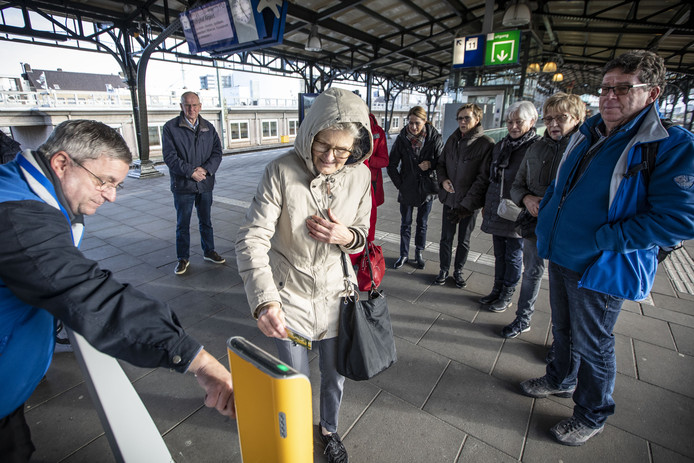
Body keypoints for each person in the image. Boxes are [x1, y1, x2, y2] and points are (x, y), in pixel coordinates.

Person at [0, 120, 235, 461]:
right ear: (61, 163)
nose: (110, 196)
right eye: (104, 182)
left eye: (117, 186)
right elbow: (90, 296)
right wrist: (198, 360)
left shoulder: (28, 191)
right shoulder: (18, 218)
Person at [520, 50, 694, 446]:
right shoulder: (589, 130)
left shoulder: (668, 143)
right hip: (563, 254)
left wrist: (605, 241)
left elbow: (680, 219)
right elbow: (564, 188)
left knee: (594, 343)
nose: (610, 96)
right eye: (605, 87)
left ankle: (592, 413)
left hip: (601, 264)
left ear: (652, 94)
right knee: (562, 329)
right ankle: (560, 378)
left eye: (622, 88)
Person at [235, 88, 372, 463]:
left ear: (355, 150)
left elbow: (361, 233)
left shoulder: (360, 178)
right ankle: (293, 437)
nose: (330, 157)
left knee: (335, 375)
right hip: (288, 296)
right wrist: (264, 299)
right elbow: (251, 238)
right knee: (293, 381)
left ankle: (329, 429)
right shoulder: (280, 170)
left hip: (335, 296)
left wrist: (347, 237)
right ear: (309, 134)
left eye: (341, 151)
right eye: (322, 145)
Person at [503, 93, 585, 338]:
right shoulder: (536, 147)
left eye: (562, 118)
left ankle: (565, 340)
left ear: (578, 118)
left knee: (569, 284)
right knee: (531, 273)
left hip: (569, 230)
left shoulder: (584, 149)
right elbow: (517, 185)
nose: (553, 125)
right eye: (549, 119)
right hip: (535, 224)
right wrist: (526, 199)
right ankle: (522, 319)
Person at [479, 101, 539, 311]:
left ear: (532, 122)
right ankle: (497, 288)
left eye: (518, 122)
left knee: (514, 254)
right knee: (500, 253)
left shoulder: (536, 148)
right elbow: (491, 178)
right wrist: (487, 204)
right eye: (510, 122)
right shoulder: (501, 146)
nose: (513, 126)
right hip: (498, 206)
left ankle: (507, 293)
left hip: (517, 210)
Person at [162, 91, 225, 275]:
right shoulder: (170, 128)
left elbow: (217, 152)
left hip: (204, 183)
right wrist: (191, 172)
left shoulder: (208, 127)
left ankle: (209, 251)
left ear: (200, 106)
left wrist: (204, 170)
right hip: (183, 186)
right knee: (183, 223)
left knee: (206, 220)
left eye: (195, 105)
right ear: (181, 106)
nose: (191, 109)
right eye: (187, 105)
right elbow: (169, 157)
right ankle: (183, 258)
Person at [434, 103, 494, 287]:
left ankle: (458, 270)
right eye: (460, 118)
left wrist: (467, 204)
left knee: (464, 240)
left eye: (466, 117)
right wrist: (443, 181)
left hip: (469, 204)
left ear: (477, 119)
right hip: (450, 199)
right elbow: (441, 164)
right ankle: (444, 269)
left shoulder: (486, 144)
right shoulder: (453, 140)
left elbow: (483, 178)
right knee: (446, 238)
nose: (462, 121)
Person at [387, 106, 443, 270]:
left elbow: (442, 162)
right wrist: (401, 186)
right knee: (405, 223)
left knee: (422, 223)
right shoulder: (402, 138)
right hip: (408, 187)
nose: (413, 127)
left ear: (424, 121)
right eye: (410, 123)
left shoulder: (434, 138)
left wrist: (430, 164)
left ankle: (419, 252)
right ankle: (403, 254)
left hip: (426, 188)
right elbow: (391, 165)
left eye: (417, 123)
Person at [350, 113, 389, 266]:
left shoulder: (377, 131)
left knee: (368, 220)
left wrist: (367, 159)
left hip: (370, 184)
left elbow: (384, 160)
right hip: (352, 183)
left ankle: (364, 257)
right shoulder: (350, 129)